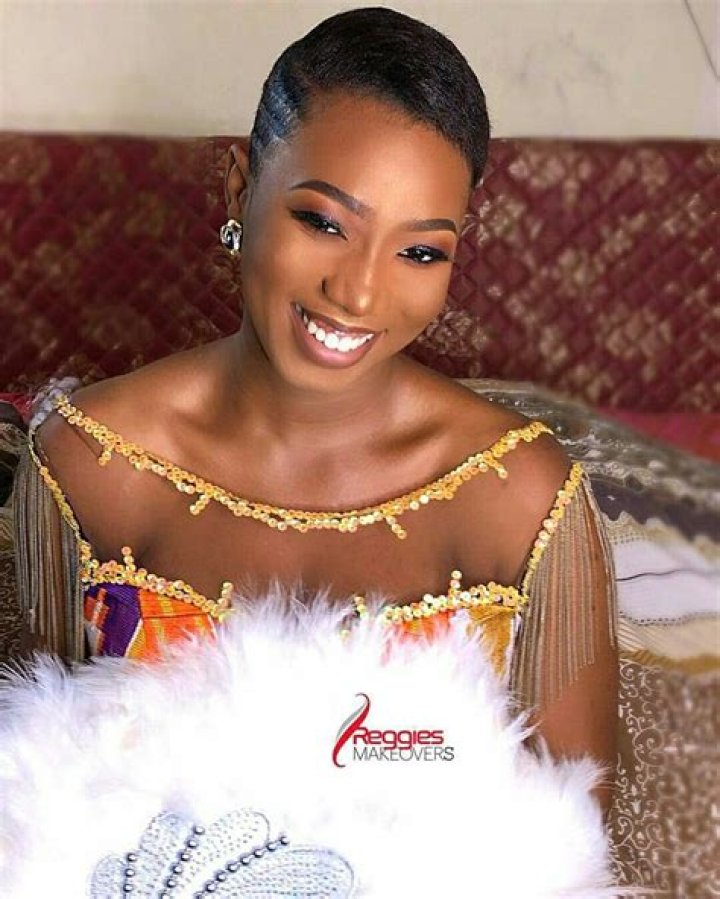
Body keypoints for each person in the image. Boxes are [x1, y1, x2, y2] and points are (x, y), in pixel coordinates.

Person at [12, 7, 617, 812]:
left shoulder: (524, 499)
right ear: (240, 188)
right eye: (324, 222)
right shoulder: (89, 464)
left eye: (420, 251)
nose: (359, 292)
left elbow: (575, 836)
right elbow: (36, 794)